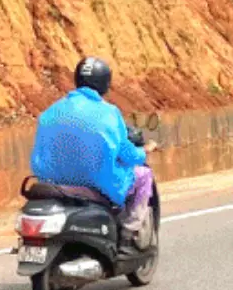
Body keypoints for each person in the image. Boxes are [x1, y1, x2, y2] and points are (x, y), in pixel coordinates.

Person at [30, 57, 157, 242]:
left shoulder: (50, 111)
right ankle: (130, 232)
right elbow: (126, 153)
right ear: (105, 83)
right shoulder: (109, 113)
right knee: (144, 176)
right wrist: (144, 151)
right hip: (95, 184)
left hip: (52, 183)